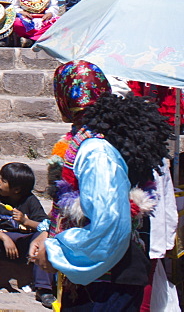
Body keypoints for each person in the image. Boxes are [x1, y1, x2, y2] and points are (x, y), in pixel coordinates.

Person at [29, 61, 170, 310]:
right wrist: (47, 232)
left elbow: (109, 224)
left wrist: (56, 251)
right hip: (104, 276)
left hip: (107, 280)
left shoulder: (96, 150)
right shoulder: (96, 139)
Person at [0, 163, 54, 306]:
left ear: (16, 189)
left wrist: (26, 221)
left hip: (27, 246)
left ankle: (44, 288)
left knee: (47, 239)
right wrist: (4, 238)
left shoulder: (30, 200)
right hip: (4, 244)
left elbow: (46, 225)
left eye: (3, 181)